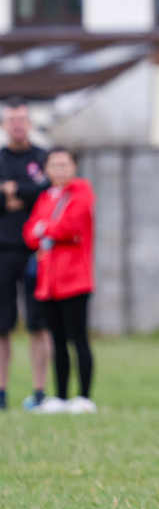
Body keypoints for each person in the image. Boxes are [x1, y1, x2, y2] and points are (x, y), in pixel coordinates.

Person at [22, 148, 96, 415]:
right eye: (55, 165)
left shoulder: (82, 193)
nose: (60, 170)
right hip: (49, 281)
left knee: (79, 337)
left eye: (65, 164)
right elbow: (30, 233)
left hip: (75, 279)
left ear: (74, 166)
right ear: (47, 169)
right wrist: (42, 230)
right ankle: (62, 397)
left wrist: (45, 229)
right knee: (58, 339)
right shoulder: (44, 197)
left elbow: (68, 226)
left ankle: (84, 396)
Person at [0, 97, 50, 411]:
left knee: (38, 324)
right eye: (12, 120)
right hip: (3, 252)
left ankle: (40, 392)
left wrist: (10, 191)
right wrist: (25, 192)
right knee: (1, 326)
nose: (17, 124)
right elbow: (33, 192)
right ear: (5, 125)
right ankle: (1, 392)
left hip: (37, 255)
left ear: (29, 123)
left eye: (22, 119)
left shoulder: (44, 157)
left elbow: (46, 194)